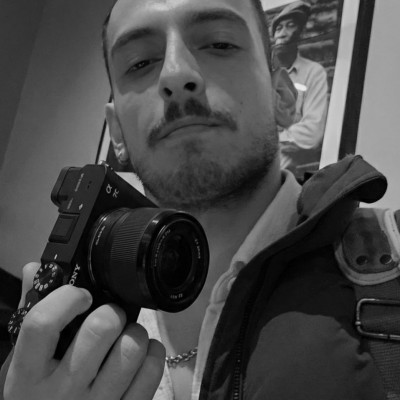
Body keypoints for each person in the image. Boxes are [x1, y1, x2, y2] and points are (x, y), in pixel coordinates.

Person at [0, 0, 393, 399]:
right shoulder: (45, 354)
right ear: (117, 133)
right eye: (140, 62)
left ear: (283, 97)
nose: (175, 74)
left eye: (220, 44)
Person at [271, 1, 328, 178]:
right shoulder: (261, 73)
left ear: (301, 33)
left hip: (290, 169)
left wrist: (273, 138)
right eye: (278, 28)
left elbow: (312, 133)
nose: (282, 33)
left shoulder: (313, 72)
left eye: (290, 26)